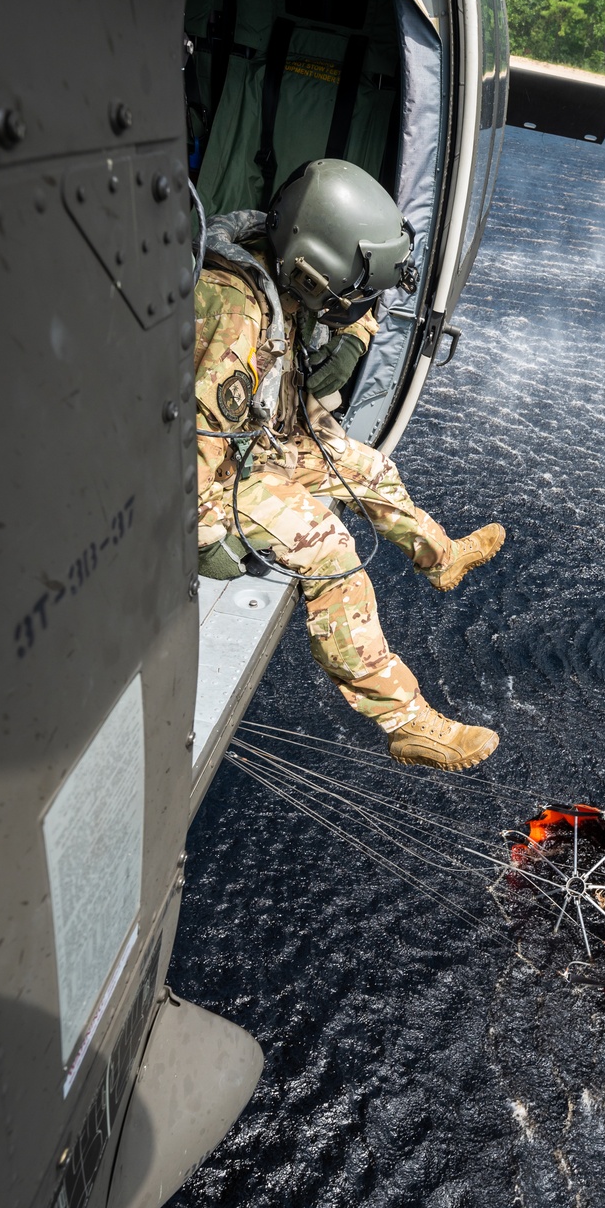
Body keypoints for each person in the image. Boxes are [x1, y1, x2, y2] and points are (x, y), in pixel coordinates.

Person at [194, 159, 505, 771]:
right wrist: (212, 537)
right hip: (204, 476)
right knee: (328, 544)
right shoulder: (232, 310)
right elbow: (194, 451)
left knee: (367, 467)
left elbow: (288, 370)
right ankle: (407, 722)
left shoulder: (273, 265)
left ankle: (441, 559)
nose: (357, 303)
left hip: (253, 440)